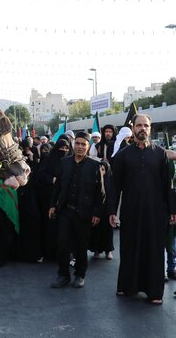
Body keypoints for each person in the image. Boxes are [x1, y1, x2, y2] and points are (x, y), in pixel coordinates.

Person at [109, 114, 176, 304]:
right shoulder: (123, 155)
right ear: (133, 128)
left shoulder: (160, 154)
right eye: (139, 125)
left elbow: (167, 185)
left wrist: (172, 209)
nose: (143, 129)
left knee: (154, 250)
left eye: (146, 125)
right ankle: (127, 286)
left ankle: (154, 292)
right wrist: (112, 211)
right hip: (131, 211)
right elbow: (115, 186)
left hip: (156, 212)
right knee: (130, 247)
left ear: (150, 128)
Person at [48, 132, 105, 289]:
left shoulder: (95, 166)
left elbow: (100, 193)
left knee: (81, 246)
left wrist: (97, 213)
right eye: (77, 143)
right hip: (65, 211)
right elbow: (57, 186)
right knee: (62, 243)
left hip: (84, 213)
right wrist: (53, 205)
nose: (80, 147)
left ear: (88, 147)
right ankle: (63, 275)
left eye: (83, 144)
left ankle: (80, 275)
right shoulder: (64, 162)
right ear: (74, 145)